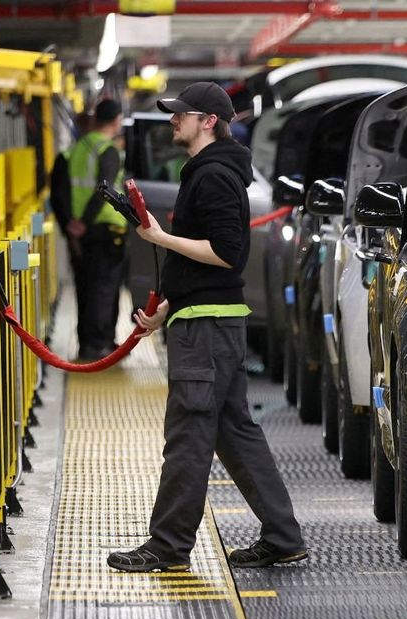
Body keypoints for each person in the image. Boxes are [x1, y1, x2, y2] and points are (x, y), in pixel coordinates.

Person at [107, 82, 307, 572]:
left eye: (182, 114)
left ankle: (168, 546)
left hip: (207, 330)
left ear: (209, 121)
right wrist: (166, 309)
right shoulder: (208, 172)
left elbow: (224, 253)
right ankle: (283, 536)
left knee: (189, 434)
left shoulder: (214, 176)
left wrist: (159, 236)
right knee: (233, 431)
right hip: (209, 319)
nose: (174, 120)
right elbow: (204, 266)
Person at [66, 99, 128, 360]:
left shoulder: (78, 147)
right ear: (116, 121)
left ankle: (89, 341)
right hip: (105, 227)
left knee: (88, 287)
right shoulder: (108, 149)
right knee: (105, 288)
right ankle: (99, 344)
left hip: (83, 230)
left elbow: (69, 188)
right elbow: (103, 191)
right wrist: (85, 221)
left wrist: (75, 222)